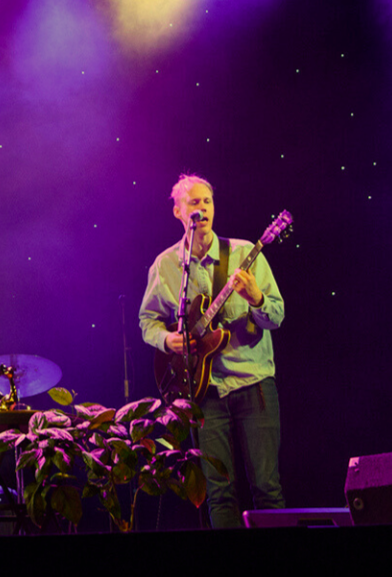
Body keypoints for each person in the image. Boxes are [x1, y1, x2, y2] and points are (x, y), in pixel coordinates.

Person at [139, 174, 285, 529]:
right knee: (220, 494)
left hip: (252, 383)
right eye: (194, 203)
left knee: (267, 487)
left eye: (207, 201)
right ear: (178, 212)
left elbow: (277, 316)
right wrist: (167, 340)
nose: (202, 209)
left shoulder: (243, 253)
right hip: (203, 393)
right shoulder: (166, 265)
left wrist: (256, 298)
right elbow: (147, 321)